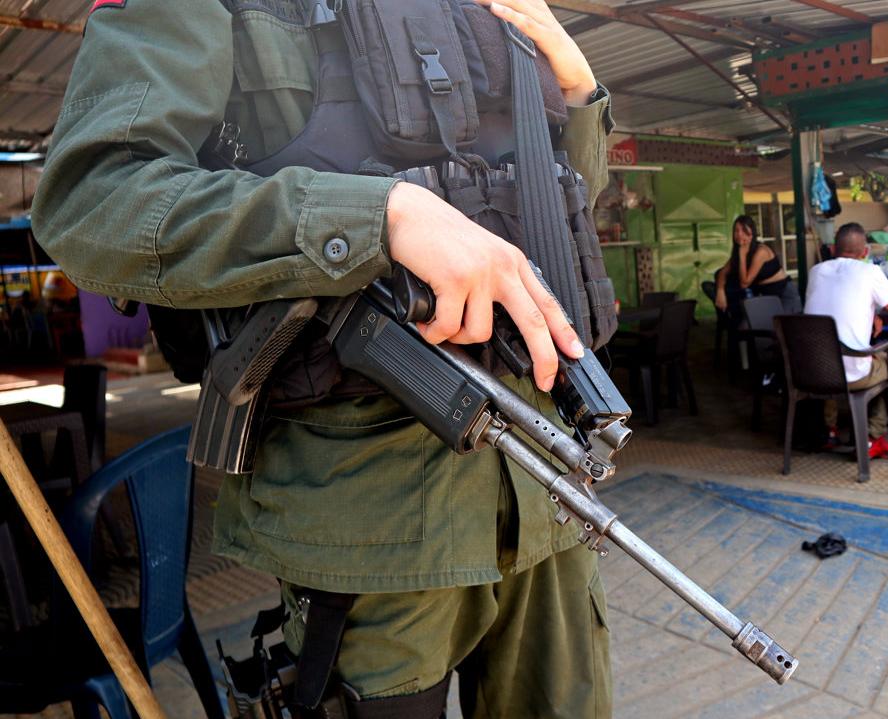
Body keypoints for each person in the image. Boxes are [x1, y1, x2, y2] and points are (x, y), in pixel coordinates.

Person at [32, 0, 615, 716]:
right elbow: (91, 206)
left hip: (547, 485)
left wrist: (578, 88)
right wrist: (377, 217)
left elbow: (560, 207)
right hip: (370, 522)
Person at [803, 223, 888, 459]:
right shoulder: (870, 272)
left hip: (809, 372)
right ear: (865, 253)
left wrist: (871, 313)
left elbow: (834, 305)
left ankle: (829, 430)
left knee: (829, 353)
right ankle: (872, 437)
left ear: (832, 249)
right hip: (852, 374)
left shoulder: (816, 272)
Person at [714, 215, 801, 325]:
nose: (740, 234)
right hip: (767, 298)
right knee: (748, 327)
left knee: (782, 332)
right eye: (736, 231)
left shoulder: (761, 251)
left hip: (785, 295)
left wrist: (742, 254)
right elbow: (722, 272)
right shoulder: (741, 253)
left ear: (752, 233)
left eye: (744, 230)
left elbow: (744, 283)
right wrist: (720, 291)